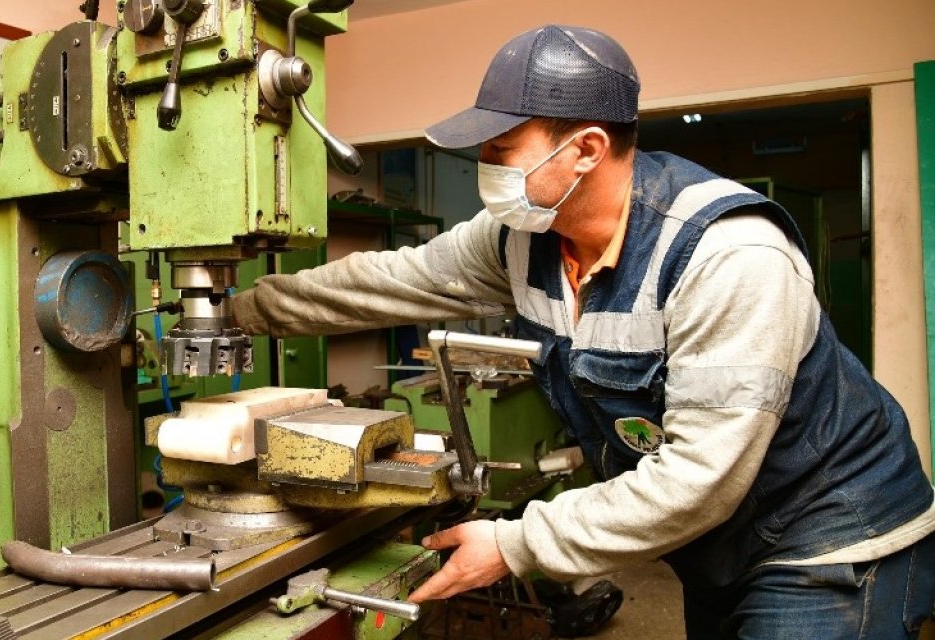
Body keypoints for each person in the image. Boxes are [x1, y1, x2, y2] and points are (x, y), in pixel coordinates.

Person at [232, 24, 935, 638]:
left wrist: (516, 544)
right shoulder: (520, 239)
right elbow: (397, 279)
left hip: (833, 534)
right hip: (719, 542)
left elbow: (698, 479)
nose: (486, 168)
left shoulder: (730, 256)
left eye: (503, 148)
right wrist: (243, 310)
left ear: (587, 148)